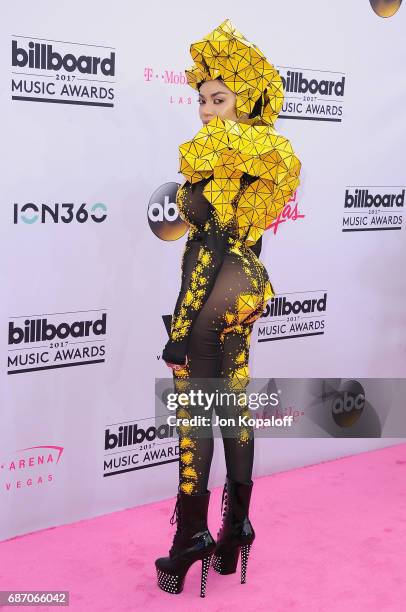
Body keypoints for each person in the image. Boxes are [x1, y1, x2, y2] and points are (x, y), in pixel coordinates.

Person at [156, 18, 301, 597]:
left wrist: (180, 328)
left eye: (220, 98)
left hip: (217, 282)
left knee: (196, 410)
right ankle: (237, 524)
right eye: (201, 99)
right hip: (244, 289)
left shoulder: (249, 149)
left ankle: (190, 537)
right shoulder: (257, 153)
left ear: (246, 98)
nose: (207, 108)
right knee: (232, 402)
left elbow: (213, 245)